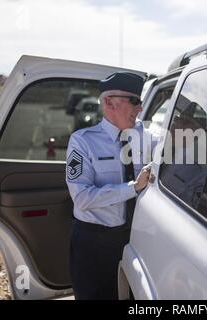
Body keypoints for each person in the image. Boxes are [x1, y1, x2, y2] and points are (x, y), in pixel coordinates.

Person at [65, 72, 152, 300]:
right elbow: (82, 198)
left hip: (135, 239)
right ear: (108, 102)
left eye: (141, 102)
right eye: (134, 101)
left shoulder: (148, 136)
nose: (140, 108)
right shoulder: (83, 141)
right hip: (94, 244)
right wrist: (132, 187)